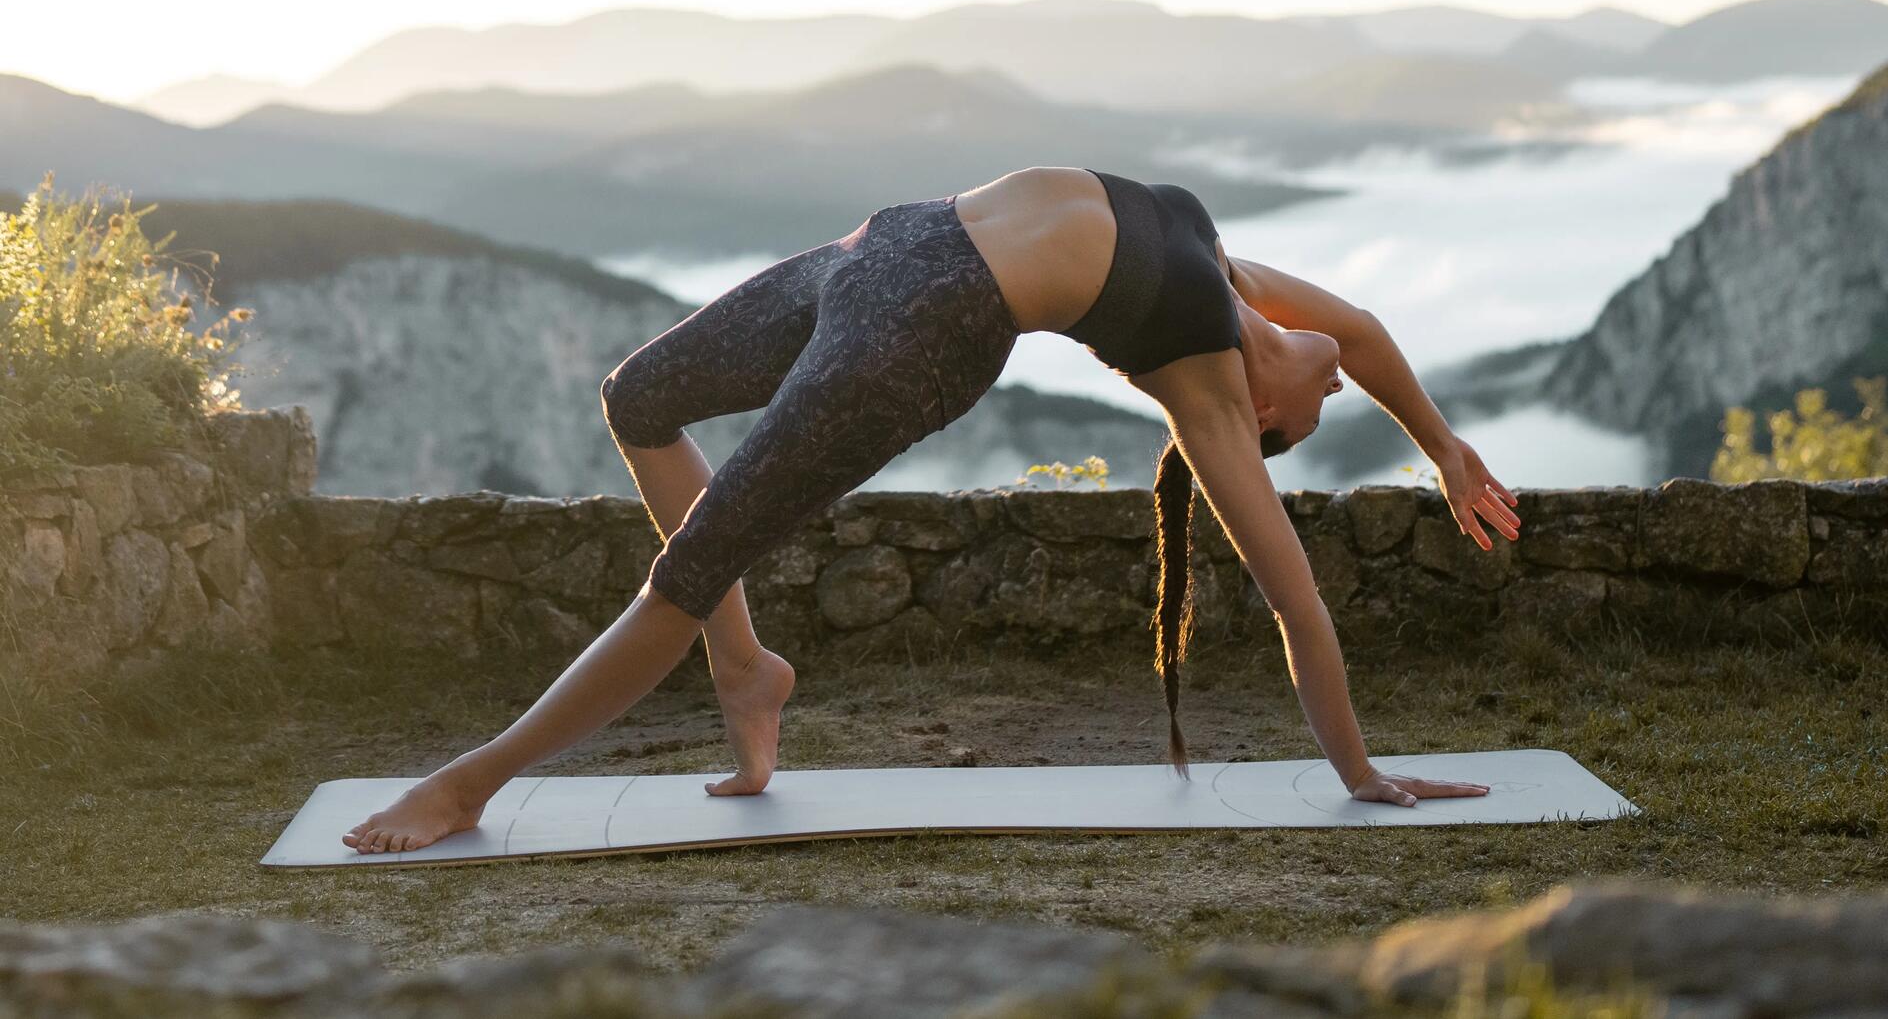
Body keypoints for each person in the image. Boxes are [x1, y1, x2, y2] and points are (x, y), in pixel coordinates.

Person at [342, 166, 1519, 853]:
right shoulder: (1228, 272)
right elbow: (1360, 334)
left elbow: (1296, 607)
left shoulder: (1207, 386)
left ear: (1252, 416)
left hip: (917, 337)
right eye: (1319, 400)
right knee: (638, 397)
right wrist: (1450, 450)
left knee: (693, 566)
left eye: (1303, 418)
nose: (1325, 379)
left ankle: (471, 783)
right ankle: (748, 670)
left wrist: (1361, 771)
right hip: (886, 243)